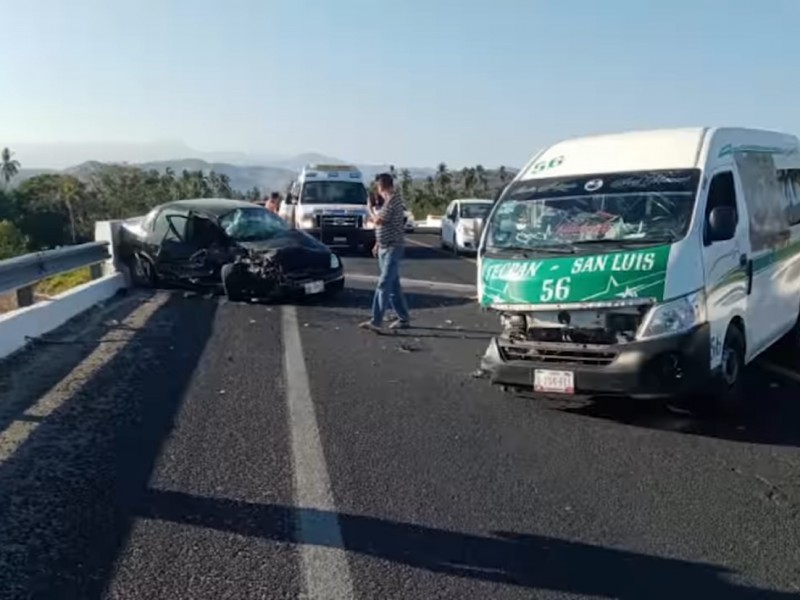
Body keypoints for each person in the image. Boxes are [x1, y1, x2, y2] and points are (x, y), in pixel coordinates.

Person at [360, 173, 411, 331]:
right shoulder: (389, 202)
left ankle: (376, 321)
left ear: (381, 186)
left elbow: (378, 221)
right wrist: (377, 243)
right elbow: (383, 226)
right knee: (393, 285)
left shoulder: (393, 201)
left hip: (392, 248)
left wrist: (369, 209)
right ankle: (403, 318)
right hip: (384, 246)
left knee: (383, 284)